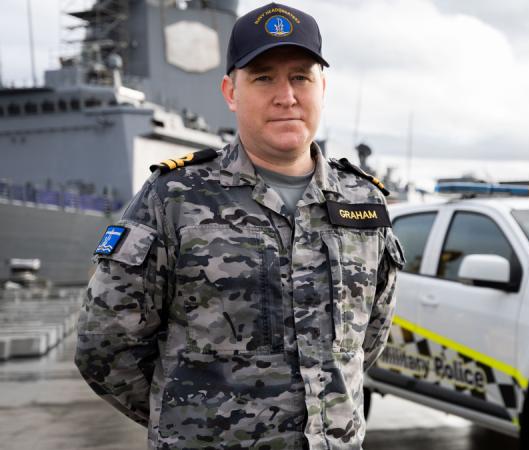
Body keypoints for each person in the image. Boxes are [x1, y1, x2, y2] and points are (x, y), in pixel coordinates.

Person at [74, 3, 405, 449]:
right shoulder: (174, 197)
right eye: (264, 77)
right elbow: (105, 346)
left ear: (322, 87)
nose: (285, 95)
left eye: (301, 77)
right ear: (231, 91)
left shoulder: (364, 200)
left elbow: (367, 341)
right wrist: (189, 418)